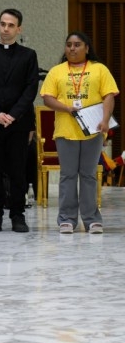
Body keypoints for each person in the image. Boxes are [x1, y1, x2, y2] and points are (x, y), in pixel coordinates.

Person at [40, 31, 119, 234]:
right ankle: (66, 219)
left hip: (93, 130)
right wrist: (67, 108)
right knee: (67, 175)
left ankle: (92, 219)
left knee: (88, 175)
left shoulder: (99, 69)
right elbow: (47, 97)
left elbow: (109, 95)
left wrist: (104, 120)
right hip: (66, 131)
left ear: (87, 48)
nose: (72, 49)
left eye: (77, 45)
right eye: (68, 45)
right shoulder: (57, 71)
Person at [0, 8, 39, 233]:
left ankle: (18, 215)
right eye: (3, 24)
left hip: (18, 122)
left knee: (17, 170)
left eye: (11, 25)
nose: (6, 28)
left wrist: (13, 114)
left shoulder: (28, 55)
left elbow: (31, 88)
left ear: (19, 28)